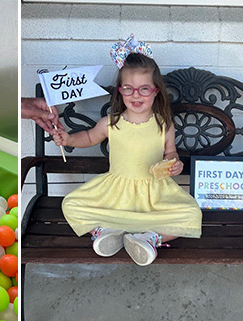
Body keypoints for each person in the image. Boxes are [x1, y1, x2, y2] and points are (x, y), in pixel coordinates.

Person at [51, 35, 201, 266]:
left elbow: (170, 153)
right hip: (115, 191)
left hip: (154, 194)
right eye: (129, 89)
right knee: (70, 204)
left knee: (192, 213)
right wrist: (69, 138)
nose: (136, 95)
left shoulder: (164, 124)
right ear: (120, 91)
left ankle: (150, 238)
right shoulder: (111, 122)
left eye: (143, 89)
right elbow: (89, 137)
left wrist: (174, 163)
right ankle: (105, 231)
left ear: (156, 91)